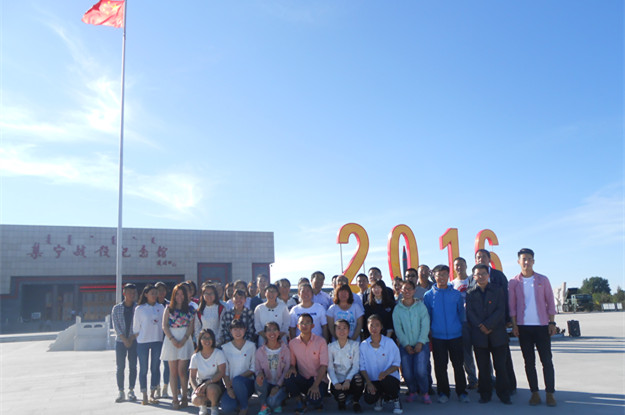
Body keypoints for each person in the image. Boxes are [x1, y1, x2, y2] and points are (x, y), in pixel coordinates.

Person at [508, 248, 557, 407]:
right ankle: (534, 393)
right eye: (524, 259)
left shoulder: (543, 280)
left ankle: (550, 393)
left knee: (547, 361)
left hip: (542, 326)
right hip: (524, 328)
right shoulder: (513, 282)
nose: (527, 262)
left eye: (529, 259)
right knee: (529, 362)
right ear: (518, 262)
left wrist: (551, 323)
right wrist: (515, 325)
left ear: (533, 261)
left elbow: (550, 301)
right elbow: (512, 306)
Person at [467, 264, 511, 405]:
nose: (481, 276)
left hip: (497, 334)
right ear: (474, 277)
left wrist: (489, 325)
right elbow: (470, 313)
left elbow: (501, 310)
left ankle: (504, 394)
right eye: (478, 274)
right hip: (479, 335)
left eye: (484, 273)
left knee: (501, 367)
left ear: (488, 275)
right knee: (483, 368)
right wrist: (481, 326)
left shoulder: (497, 290)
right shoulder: (470, 293)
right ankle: (485, 394)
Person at [423, 265, 468, 403]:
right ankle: (443, 392)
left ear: (448, 276)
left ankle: (462, 392)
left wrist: (459, 328)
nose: (441, 277)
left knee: (458, 365)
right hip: (438, 337)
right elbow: (427, 316)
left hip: (456, 335)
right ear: (434, 276)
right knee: (440, 366)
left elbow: (461, 313)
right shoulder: (428, 295)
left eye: (444, 274)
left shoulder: (456, 294)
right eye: (438, 274)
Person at [475, 249, 517, 394]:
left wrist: (507, 319)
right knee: (483, 361)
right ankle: (485, 387)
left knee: (503, 359)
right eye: (478, 257)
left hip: (498, 324)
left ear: (489, 259)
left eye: (483, 257)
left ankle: (509, 386)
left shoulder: (498, 275)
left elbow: (505, 298)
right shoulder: (473, 277)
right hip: (481, 327)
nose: (481, 259)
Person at [392, 280, 431, 404]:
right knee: (407, 372)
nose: (407, 291)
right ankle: (412, 391)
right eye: (405, 289)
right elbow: (398, 328)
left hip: (422, 344)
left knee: (420, 371)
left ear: (414, 291)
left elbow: (425, 325)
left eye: (410, 288)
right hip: (405, 346)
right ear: (401, 291)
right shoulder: (397, 309)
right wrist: (406, 344)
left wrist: (420, 342)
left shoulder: (420, 306)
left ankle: (425, 392)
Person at [161, 283, 196, 409]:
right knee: (173, 371)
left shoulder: (190, 309)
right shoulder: (168, 308)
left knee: (182, 371)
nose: (180, 297)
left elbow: (191, 326)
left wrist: (184, 339)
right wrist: (172, 339)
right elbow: (164, 326)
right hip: (171, 340)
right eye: (177, 294)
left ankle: (185, 397)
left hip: (185, 339)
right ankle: (175, 398)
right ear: (173, 296)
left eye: (182, 294)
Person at [285, 313, 329, 413]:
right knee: (288, 377)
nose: (304, 325)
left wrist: (315, 385)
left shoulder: (321, 341)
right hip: (304, 379)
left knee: (314, 402)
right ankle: (299, 400)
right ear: (298, 326)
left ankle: (315, 399)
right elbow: (292, 363)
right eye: (302, 323)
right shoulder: (293, 343)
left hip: (318, 380)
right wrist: (292, 367)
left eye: (308, 323)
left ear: (312, 326)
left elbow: (324, 366)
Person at [359, 315, 402, 414]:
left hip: (388, 378)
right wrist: (368, 383)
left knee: (388, 382)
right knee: (369, 399)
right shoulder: (363, 345)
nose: (374, 328)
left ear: (381, 327)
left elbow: (396, 363)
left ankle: (395, 399)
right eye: (371, 325)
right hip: (373, 380)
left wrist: (385, 373)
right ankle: (380, 397)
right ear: (367, 326)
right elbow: (362, 367)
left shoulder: (389, 342)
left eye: (377, 325)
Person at [133, 284, 165, 405]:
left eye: (156, 293)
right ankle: (144, 394)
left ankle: (152, 393)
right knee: (144, 368)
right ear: (146, 294)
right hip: (143, 342)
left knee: (155, 367)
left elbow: (163, 324)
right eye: (152, 293)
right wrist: (138, 337)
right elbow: (136, 327)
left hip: (157, 340)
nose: (154, 295)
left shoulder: (161, 307)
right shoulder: (140, 309)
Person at [452, 257, 478, 390]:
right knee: (466, 353)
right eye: (457, 265)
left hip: (476, 321)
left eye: (461, 264)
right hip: (462, 323)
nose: (459, 267)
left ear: (466, 266)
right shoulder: (451, 284)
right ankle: (472, 379)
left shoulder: (473, 280)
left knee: (481, 352)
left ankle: (489, 378)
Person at [221, 320, 257, 415]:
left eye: (241, 329)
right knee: (227, 408)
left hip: (247, 383)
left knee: (238, 381)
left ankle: (244, 407)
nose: (238, 332)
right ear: (230, 331)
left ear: (245, 330)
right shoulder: (225, 348)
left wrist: (237, 379)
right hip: (231, 385)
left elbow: (253, 368)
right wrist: (229, 389)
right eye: (235, 329)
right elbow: (225, 371)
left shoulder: (251, 346)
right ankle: (240, 401)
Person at [255, 321, 291, 415]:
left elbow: (286, 370)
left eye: (274, 330)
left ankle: (275, 402)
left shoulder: (285, 349)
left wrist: (278, 386)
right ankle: (264, 406)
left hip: (280, 385)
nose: (272, 333)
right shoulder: (260, 351)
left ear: (279, 332)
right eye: (269, 330)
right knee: (258, 380)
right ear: (265, 333)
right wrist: (259, 374)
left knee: (272, 402)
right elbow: (257, 369)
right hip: (267, 384)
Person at [328, 319, 363, 412]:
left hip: (350, 380)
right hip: (338, 380)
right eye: (339, 328)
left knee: (358, 379)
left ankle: (356, 401)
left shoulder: (355, 345)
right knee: (341, 396)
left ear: (349, 330)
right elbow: (330, 368)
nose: (342, 331)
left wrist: (348, 380)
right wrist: (335, 383)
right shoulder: (330, 347)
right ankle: (342, 401)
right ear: (335, 331)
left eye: (344, 328)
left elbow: (356, 366)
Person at [112, 283, 138, 403]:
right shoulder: (116, 308)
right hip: (120, 342)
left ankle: (131, 390)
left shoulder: (138, 308)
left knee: (133, 366)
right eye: (129, 293)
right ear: (124, 293)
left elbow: (140, 326)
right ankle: (121, 391)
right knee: (120, 367)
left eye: (133, 293)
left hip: (134, 341)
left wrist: (131, 338)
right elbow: (116, 326)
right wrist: (124, 339)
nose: (132, 295)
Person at [190, 329, 226, 415]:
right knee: (195, 400)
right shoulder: (195, 356)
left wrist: (207, 383)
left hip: (215, 382)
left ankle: (214, 407)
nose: (207, 340)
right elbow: (192, 377)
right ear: (200, 340)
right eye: (204, 338)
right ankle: (203, 406)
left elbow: (221, 372)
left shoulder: (218, 353)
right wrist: (196, 389)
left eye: (210, 338)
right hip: (200, 383)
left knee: (211, 389)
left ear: (213, 339)